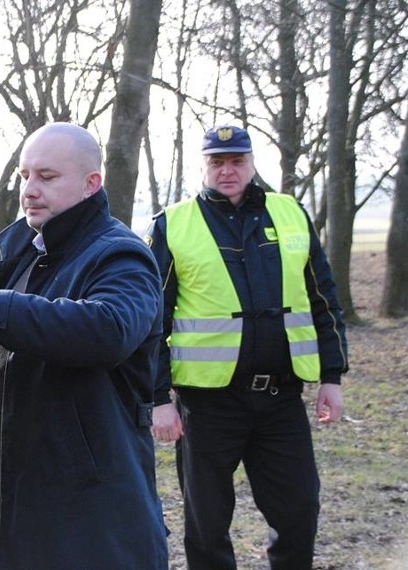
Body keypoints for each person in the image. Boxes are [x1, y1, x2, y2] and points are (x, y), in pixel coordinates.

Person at [0, 122, 169, 569]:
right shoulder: (28, 253)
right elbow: (19, 350)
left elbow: (106, 330)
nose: (30, 190)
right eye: (24, 176)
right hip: (11, 512)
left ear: (90, 183)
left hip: (85, 523)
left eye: (47, 176)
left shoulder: (122, 255)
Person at [147, 125, 349, 569]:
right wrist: (158, 399)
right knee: (206, 523)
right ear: (204, 166)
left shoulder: (290, 213)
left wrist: (332, 376)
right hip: (207, 405)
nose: (228, 170)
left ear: (253, 162)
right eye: (217, 162)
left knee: (299, 512)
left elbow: (324, 299)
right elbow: (152, 322)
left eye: (237, 160)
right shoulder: (173, 224)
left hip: (281, 399)